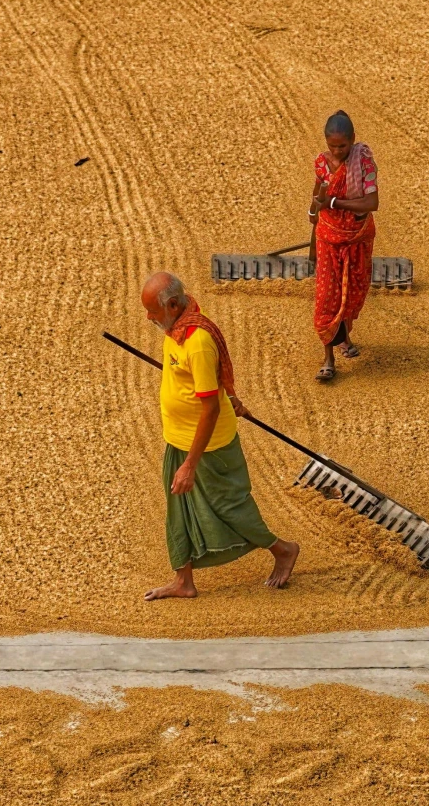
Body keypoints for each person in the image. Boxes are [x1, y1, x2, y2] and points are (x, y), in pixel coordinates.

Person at [139, 271, 299, 601]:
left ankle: (282, 550)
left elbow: (209, 409)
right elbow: (204, 380)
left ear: (172, 304)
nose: (149, 318)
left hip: (208, 446)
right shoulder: (177, 327)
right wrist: (231, 396)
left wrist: (190, 466)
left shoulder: (196, 341)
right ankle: (183, 581)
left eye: (153, 311)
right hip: (178, 439)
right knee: (178, 509)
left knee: (230, 507)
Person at [309, 110, 377, 383]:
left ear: (353, 141)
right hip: (328, 236)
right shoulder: (322, 164)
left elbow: (372, 204)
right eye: (332, 146)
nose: (337, 151)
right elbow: (317, 196)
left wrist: (335, 204)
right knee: (327, 296)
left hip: (357, 236)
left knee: (352, 290)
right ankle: (328, 359)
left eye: (343, 146)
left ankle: (345, 337)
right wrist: (314, 214)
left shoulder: (365, 164)